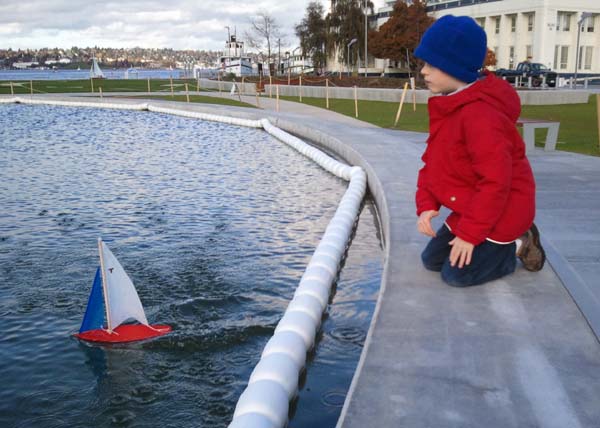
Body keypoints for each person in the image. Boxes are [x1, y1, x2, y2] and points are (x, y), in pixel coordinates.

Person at [413, 15, 545, 287]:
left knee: (457, 276)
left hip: (506, 208)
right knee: (431, 261)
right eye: (424, 63)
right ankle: (484, 241)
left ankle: (518, 244)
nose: (424, 71)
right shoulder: (450, 106)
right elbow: (432, 163)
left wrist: (470, 235)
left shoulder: (482, 117)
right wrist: (426, 205)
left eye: (432, 64)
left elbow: (496, 183)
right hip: (472, 204)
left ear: (455, 67)